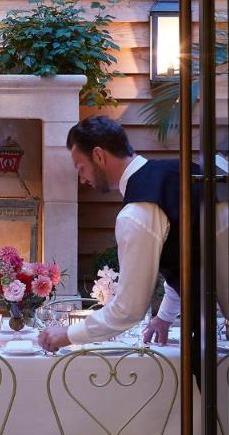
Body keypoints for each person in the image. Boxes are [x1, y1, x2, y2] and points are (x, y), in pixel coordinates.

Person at [38, 115, 197, 353]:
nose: (82, 179)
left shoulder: (136, 212)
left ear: (99, 156)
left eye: (81, 168)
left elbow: (128, 309)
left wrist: (68, 334)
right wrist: (165, 316)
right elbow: (189, 260)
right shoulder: (177, 172)